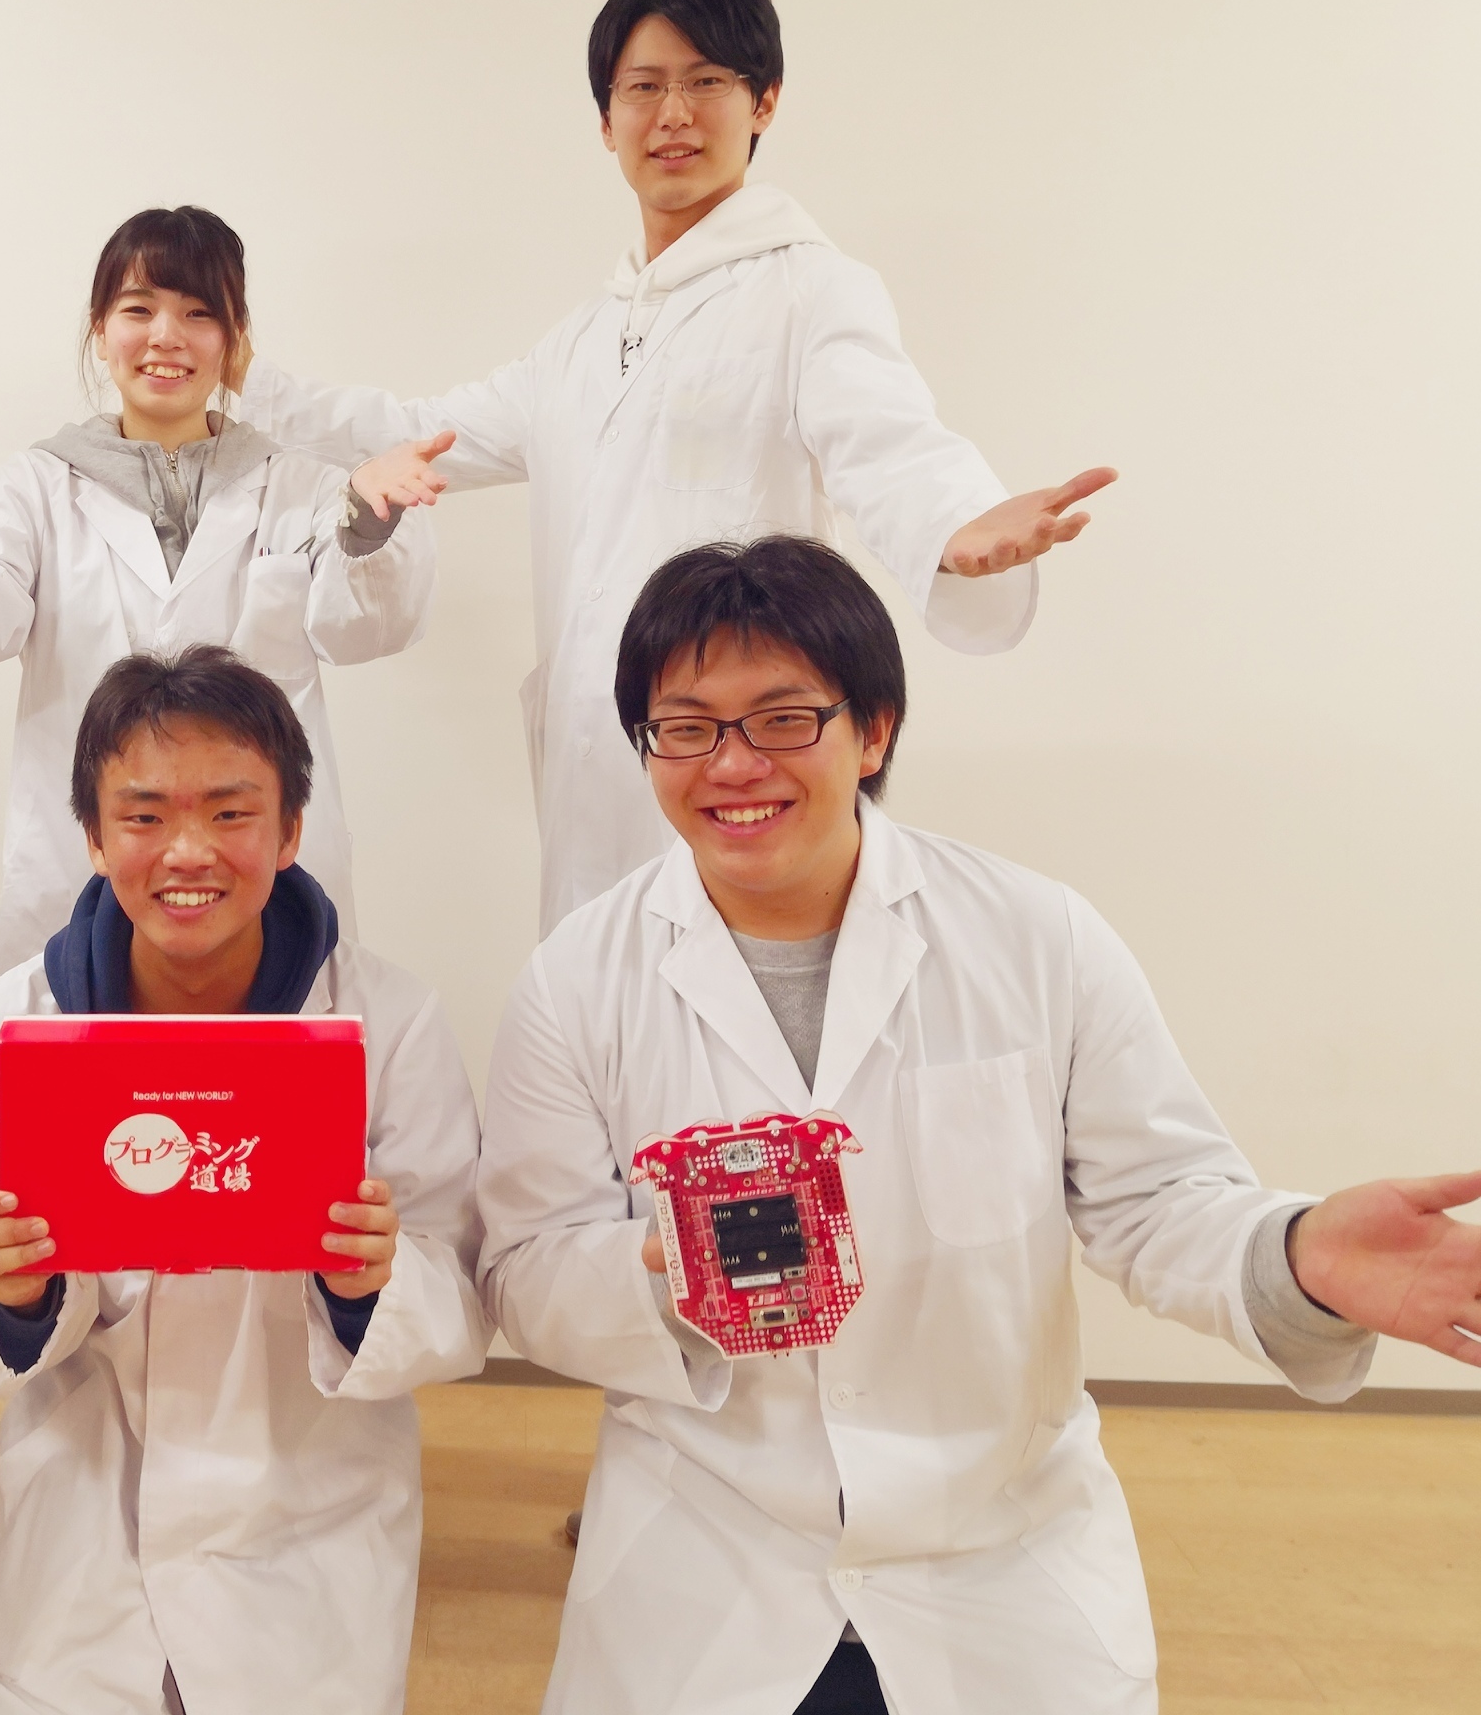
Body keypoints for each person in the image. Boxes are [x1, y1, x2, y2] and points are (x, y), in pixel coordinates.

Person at [475, 534, 1481, 1715]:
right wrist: (664, 1266)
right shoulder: (577, 980)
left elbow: (1157, 1201)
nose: (733, 763)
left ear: (874, 730)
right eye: (685, 727)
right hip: (706, 1564)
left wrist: (1296, 1256)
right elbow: (525, 1266)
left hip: (996, 1563)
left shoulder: (1035, 937)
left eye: (784, 719)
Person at [230, 0, 1115, 936]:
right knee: (598, 990)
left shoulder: (809, 291)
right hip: (597, 755)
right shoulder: (578, 343)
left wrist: (953, 528)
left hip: (735, 745)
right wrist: (242, 377)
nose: (674, 114)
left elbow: (886, 438)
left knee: (742, 987)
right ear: (605, 120)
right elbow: (414, 432)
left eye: (706, 82)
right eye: (643, 87)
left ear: (764, 101)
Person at [0, 646, 490, 1713]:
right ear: (93, 836)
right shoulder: (7, 1027)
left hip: (302, 1542)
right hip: (80, 1541)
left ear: (291, 830)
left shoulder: (388, 1023)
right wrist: (15, 1293)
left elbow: (459, 1294)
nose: (188, 852)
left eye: (231, 813)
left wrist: (368, 1285)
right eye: (143, 816)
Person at [0, 206, 443, 972]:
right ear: (100, 329)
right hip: (86, 860)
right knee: (80, 1038)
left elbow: (363, 628)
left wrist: (369, 524)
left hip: (251, 864)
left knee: (270, 1038)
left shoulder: (299, 487)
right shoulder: (39, 487)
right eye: (138, 310)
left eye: (199, 313)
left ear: (235, 339)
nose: (167, 336)